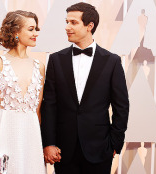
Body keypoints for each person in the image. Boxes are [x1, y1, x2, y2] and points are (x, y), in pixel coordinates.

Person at [41, 2, 129, 174]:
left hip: (100, 148)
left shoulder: (112, 62)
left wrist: (114, 144)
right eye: (66, 22)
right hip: (63, 149)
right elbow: (49, 105)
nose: (67, 27)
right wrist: (49, 143)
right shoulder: (55, 60)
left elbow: (121, 106)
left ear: (90, 26)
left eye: (73, 22)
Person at [0, 10, 46, 174]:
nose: (36, 34)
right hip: (3, 132)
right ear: (16, 32)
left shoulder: (39, 66)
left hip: (30, 136)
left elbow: (38, 110)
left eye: (36, 29)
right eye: (31, 29)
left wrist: (38, 141)